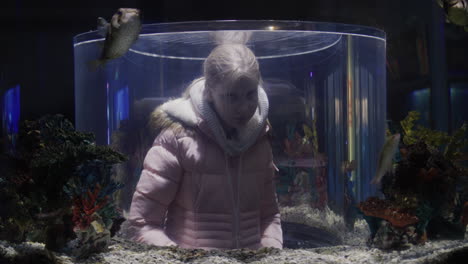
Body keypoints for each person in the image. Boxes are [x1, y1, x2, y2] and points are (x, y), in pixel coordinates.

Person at [127, 43, 283, 249]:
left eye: (250, 95)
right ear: (209, 92)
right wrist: (180, 258)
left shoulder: (259, 140)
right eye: (231, 97)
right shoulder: (177, 139)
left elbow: (270, 216)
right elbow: (143, 224)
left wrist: (270, 252)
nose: (244, 107)